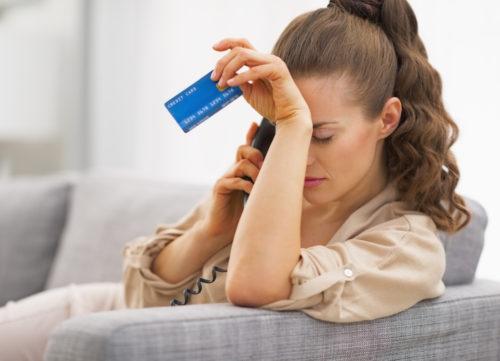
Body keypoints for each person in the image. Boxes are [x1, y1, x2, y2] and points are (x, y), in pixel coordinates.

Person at [0, 0, 470, 359]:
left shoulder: (406, 247)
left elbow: (253, 286)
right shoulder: (266, 184)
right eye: (290, 130)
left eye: (319, 134)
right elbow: (135, 297)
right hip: (100, 321)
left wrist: (290, 125)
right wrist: (210, 232)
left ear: (386, 119)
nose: (302, 156)